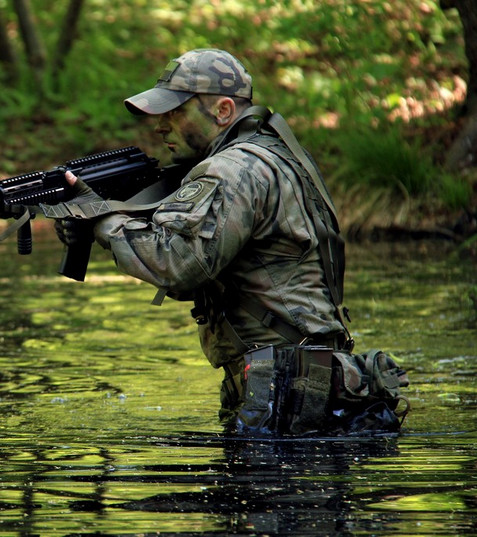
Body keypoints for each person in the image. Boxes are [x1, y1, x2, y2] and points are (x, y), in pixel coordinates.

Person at [51, 48, 355, 431]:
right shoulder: (267, 155)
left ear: (223, 111)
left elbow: (178, 263)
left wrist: (101, 219)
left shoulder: (231, 170)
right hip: (302, 380)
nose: (160, 126)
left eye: (174, 112)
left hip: (288, 388)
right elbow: (211, 269)